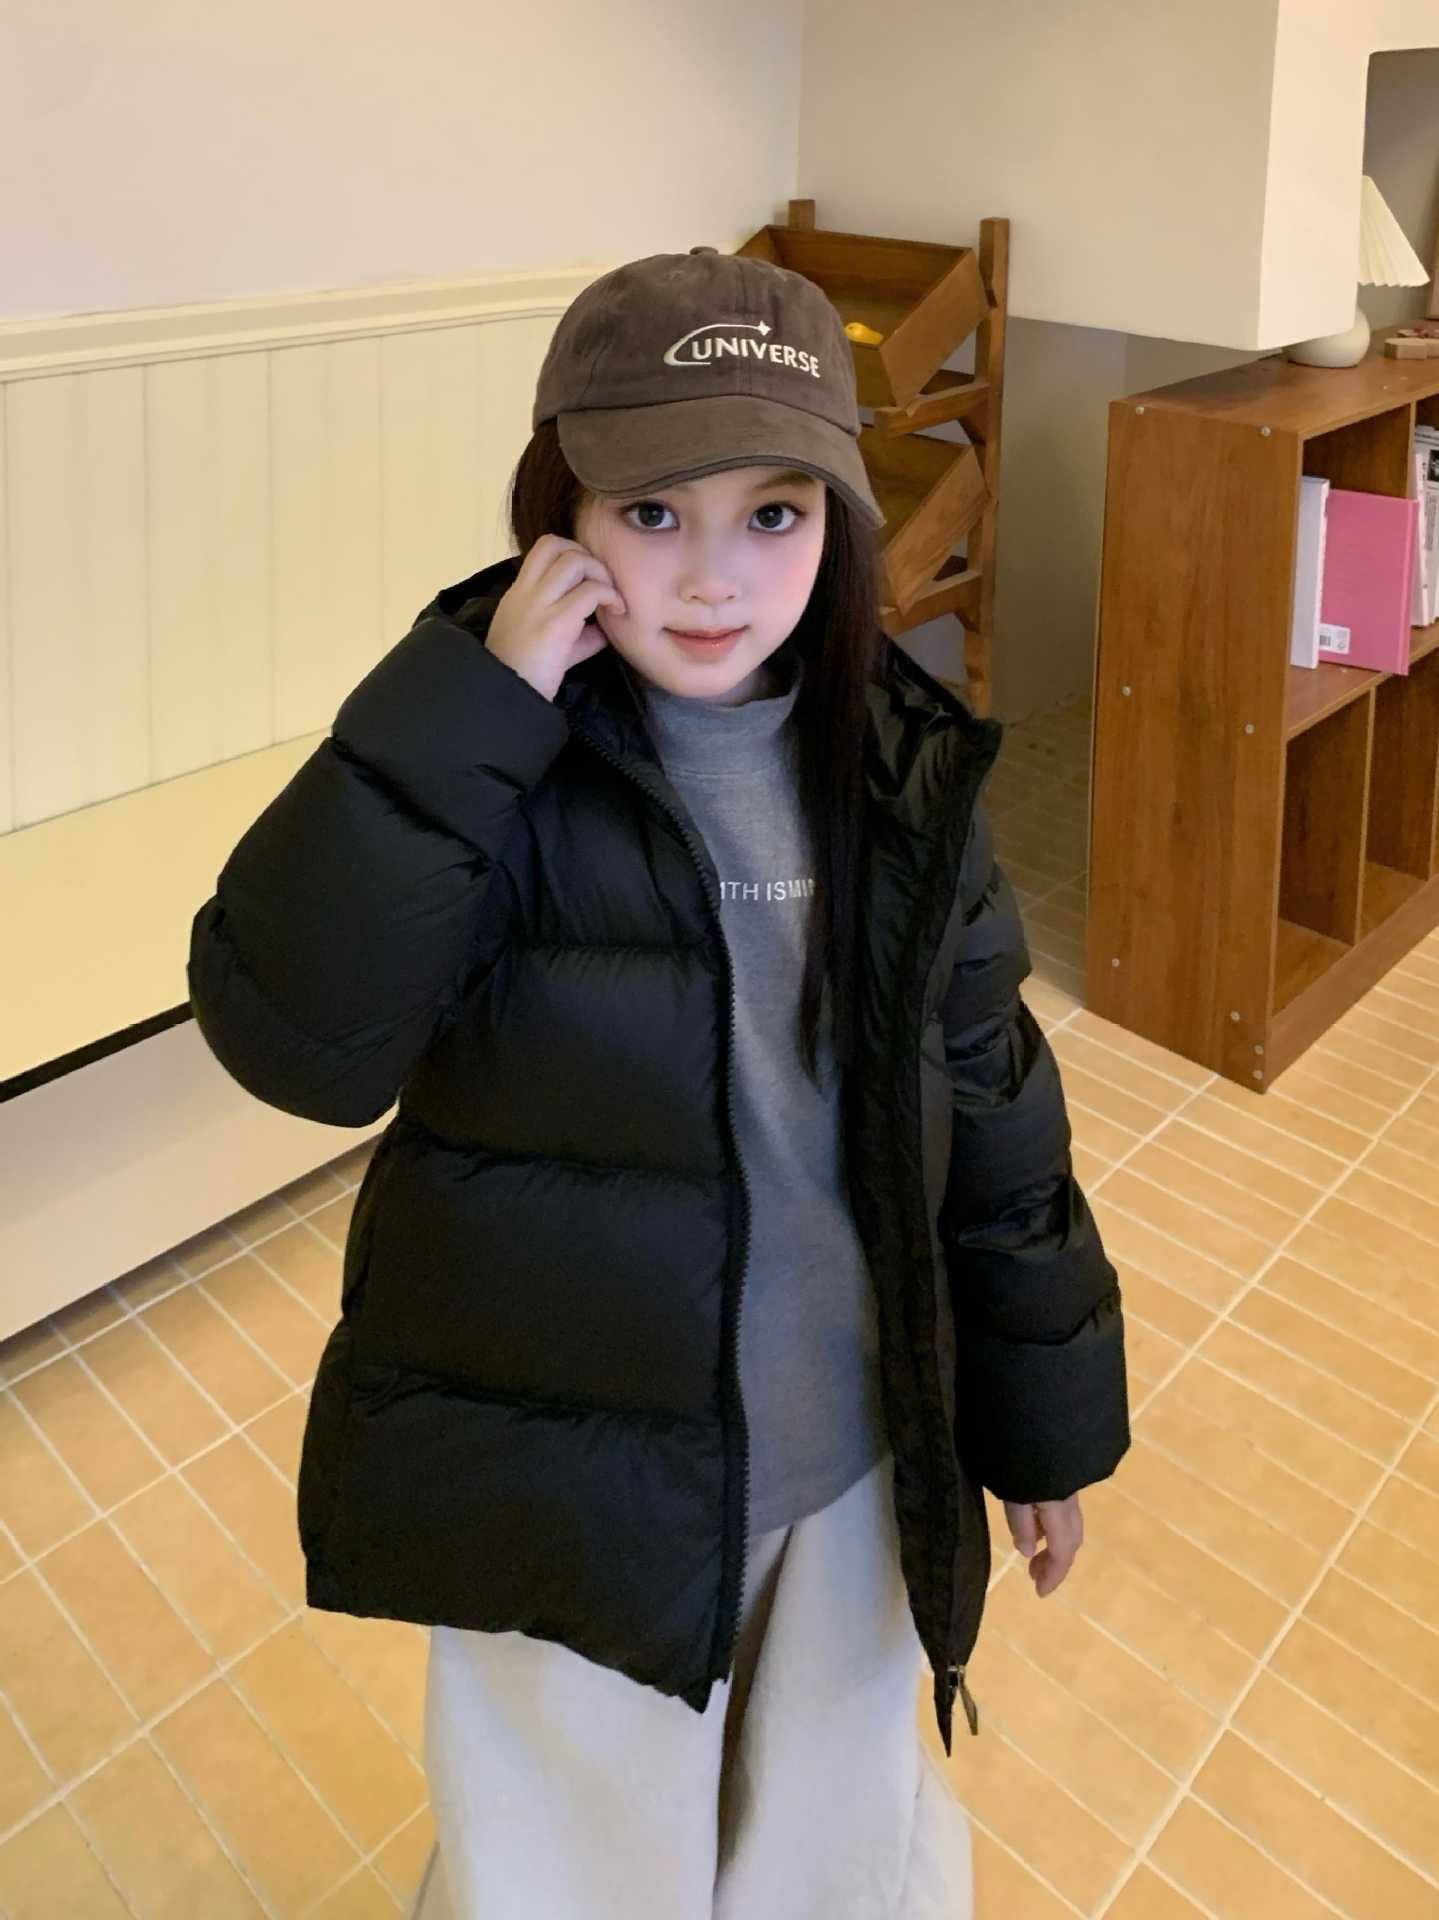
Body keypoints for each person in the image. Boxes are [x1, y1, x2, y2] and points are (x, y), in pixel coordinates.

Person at [187, 246, 1130, 1920]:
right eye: (651, 512)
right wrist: (469, 709)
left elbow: (991, 1103)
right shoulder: (493, 753)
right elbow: (294, 1036)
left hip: (851, 1460)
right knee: (569, 1866)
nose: (711, 577)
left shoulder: (901, 770)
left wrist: (1036, 1420)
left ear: (839, 524)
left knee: (832, 1853)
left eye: (773, 513)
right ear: (559, 518)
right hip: (576, 1480)